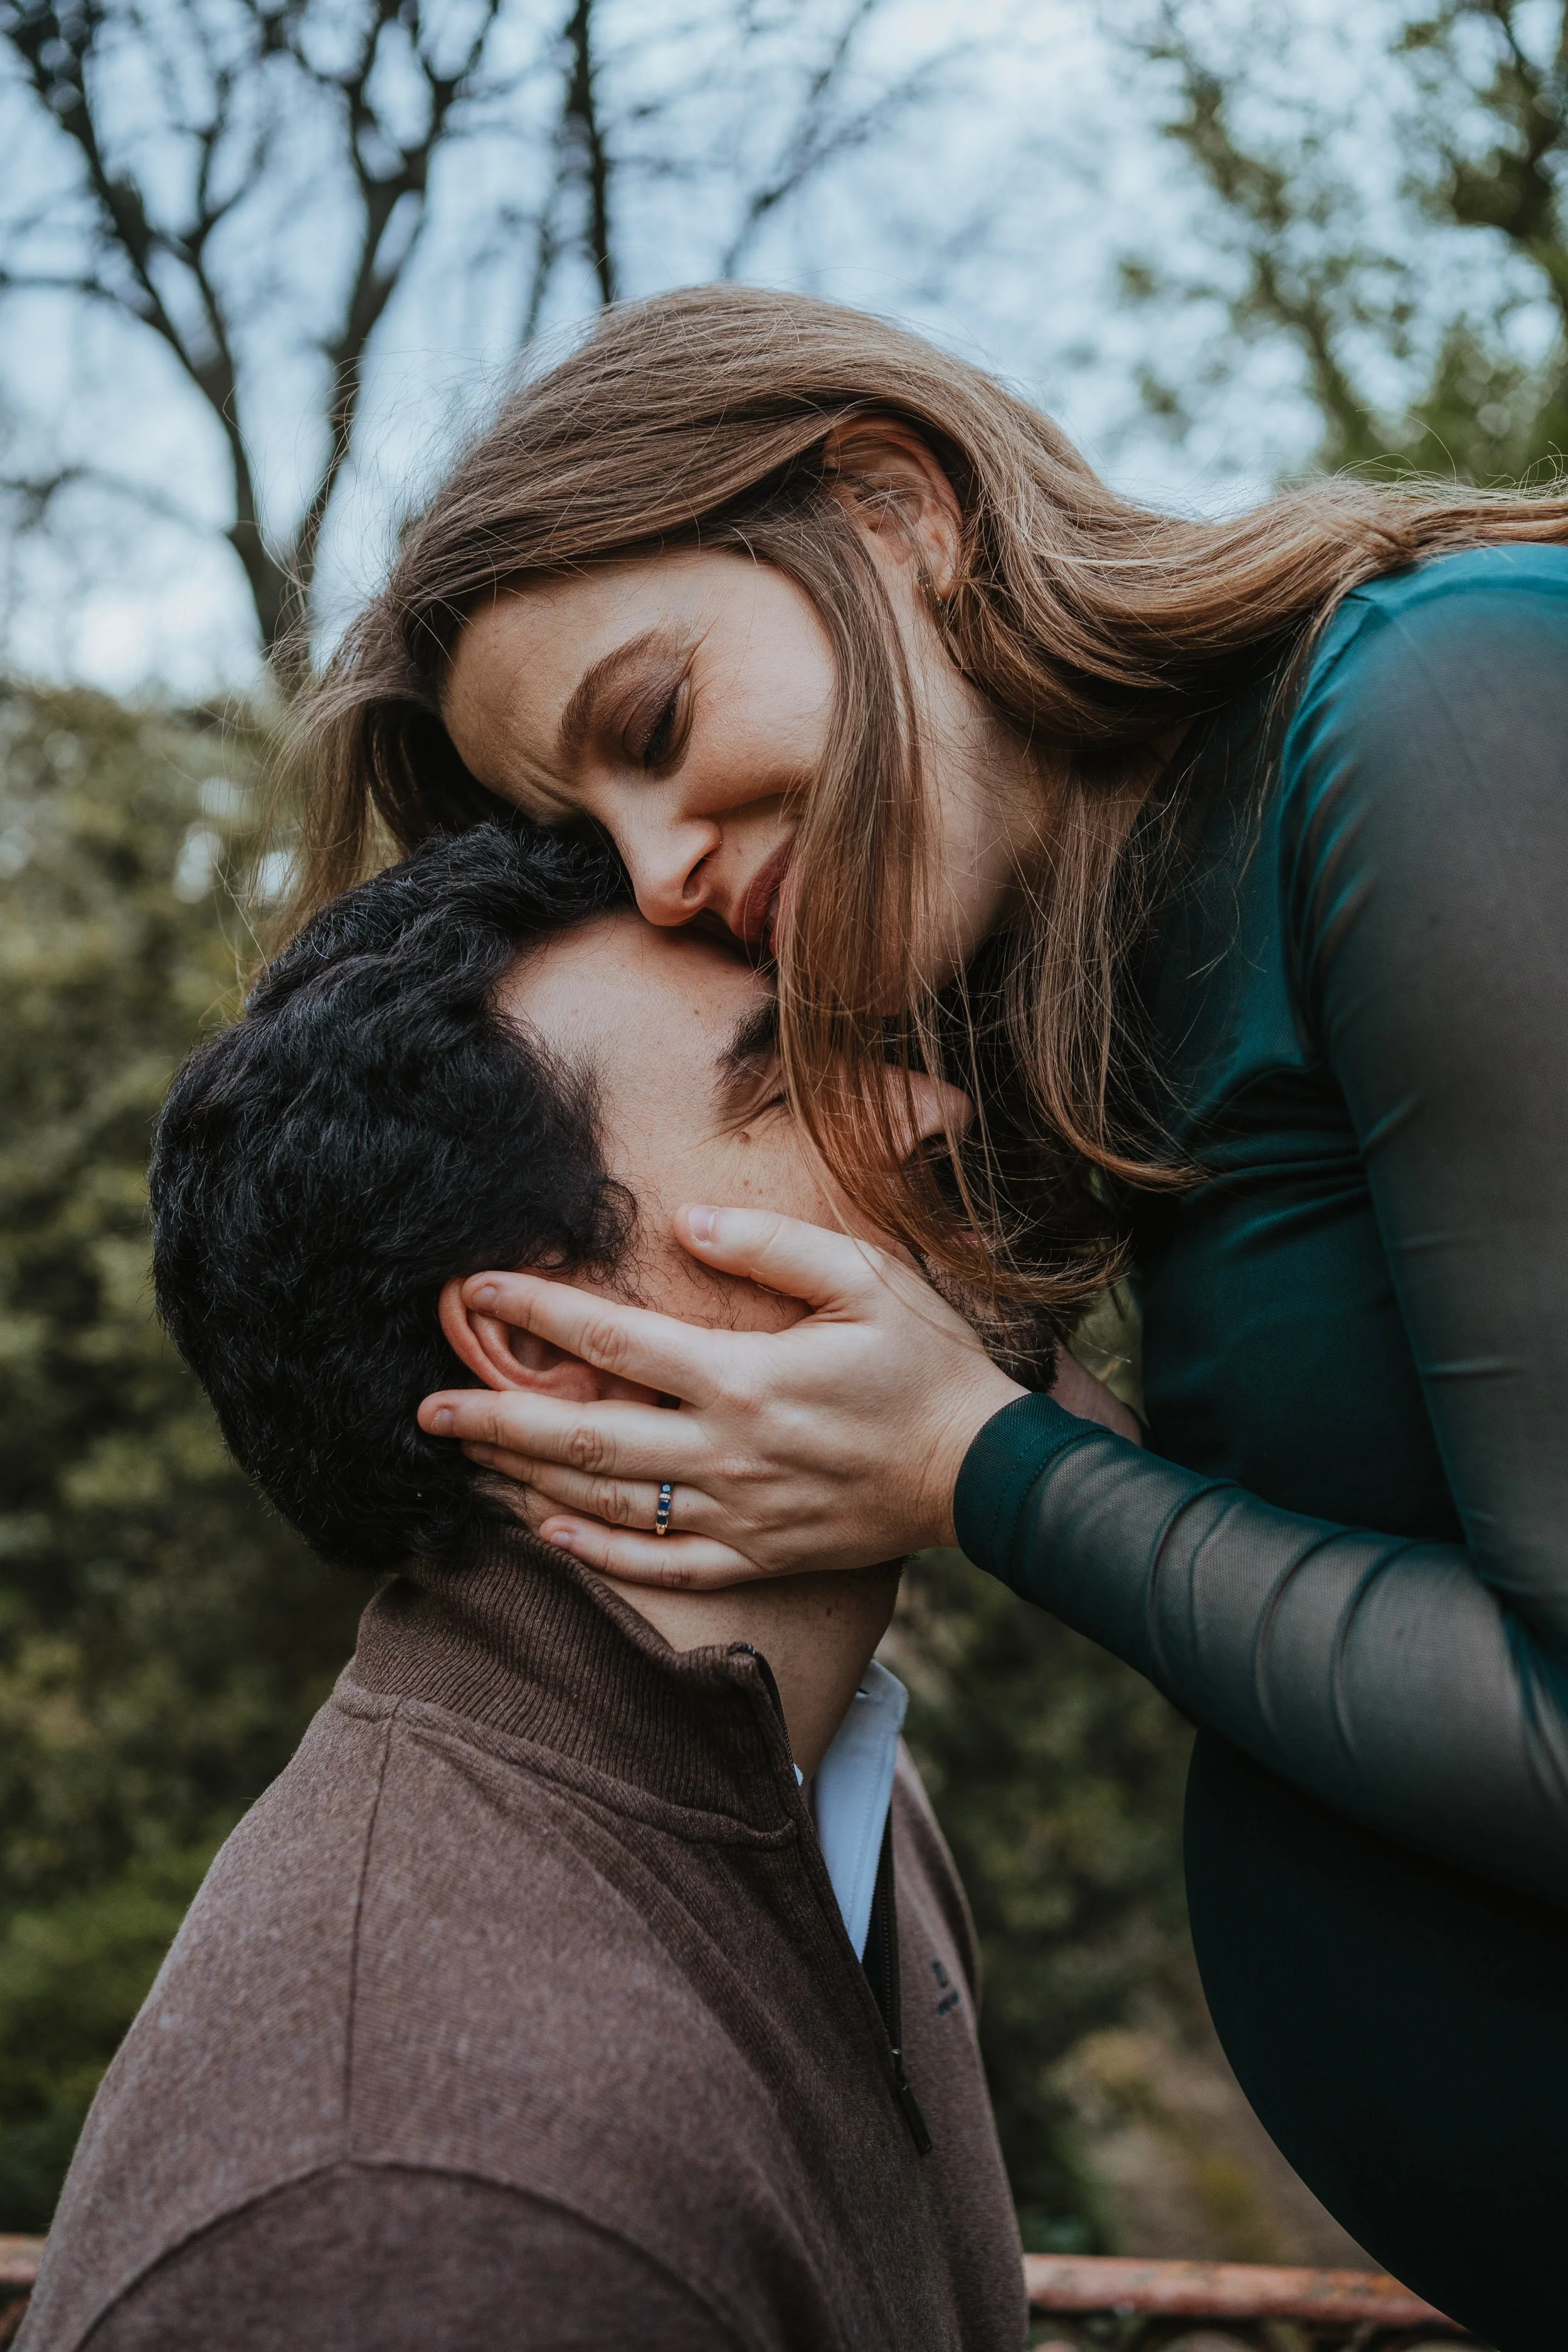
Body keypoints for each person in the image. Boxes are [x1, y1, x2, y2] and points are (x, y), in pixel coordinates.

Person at [282, 284, 1568, 2351]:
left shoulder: (1431, 722)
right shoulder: (1134, 1010)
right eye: (591, 841)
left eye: (655, 727)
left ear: (896, 509)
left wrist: (992, 1476)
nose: (664, 869)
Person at [19, 825, 1040, 2352]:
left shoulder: (834, 1799)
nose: (935, 1108)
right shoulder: (413, 2226)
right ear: (550, 1346)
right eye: (783, 1078)